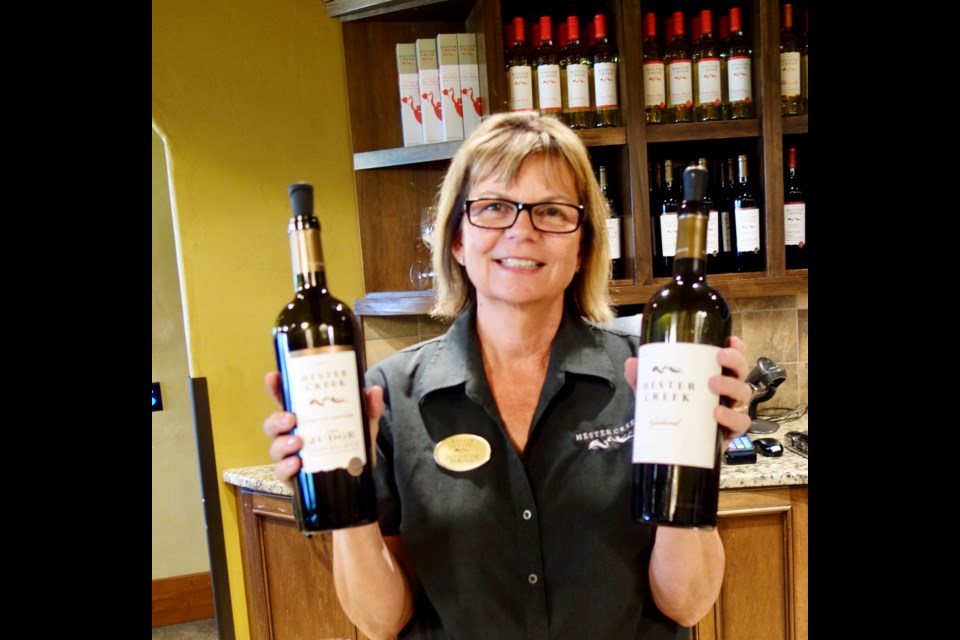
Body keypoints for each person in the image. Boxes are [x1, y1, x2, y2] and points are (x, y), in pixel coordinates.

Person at [263, 110, 753, 639]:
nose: (521, 231)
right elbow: (382, 620)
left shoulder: (654, 378)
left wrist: (700, 451)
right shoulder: (388, 397)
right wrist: (345, 495)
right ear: (456, 241)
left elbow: (686, 604)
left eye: (551, 211)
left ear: (583, 244)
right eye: (494, 207)